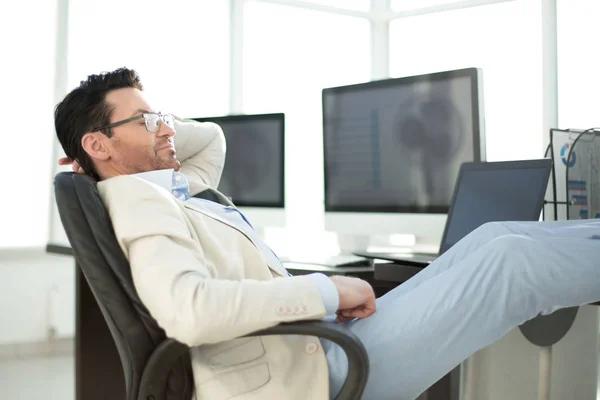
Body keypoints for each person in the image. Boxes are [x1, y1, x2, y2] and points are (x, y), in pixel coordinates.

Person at [54, 67, 600, 400]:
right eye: (148, 121)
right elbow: (189, 310)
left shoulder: (171, 186)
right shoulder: (136, 200)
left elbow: (211, 139)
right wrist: (325, 290)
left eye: (161, 117)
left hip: (315, 345)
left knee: (492, 239)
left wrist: (126, 137)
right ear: (100, 145)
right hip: (308, 375)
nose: (166, 128)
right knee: (508, 262)